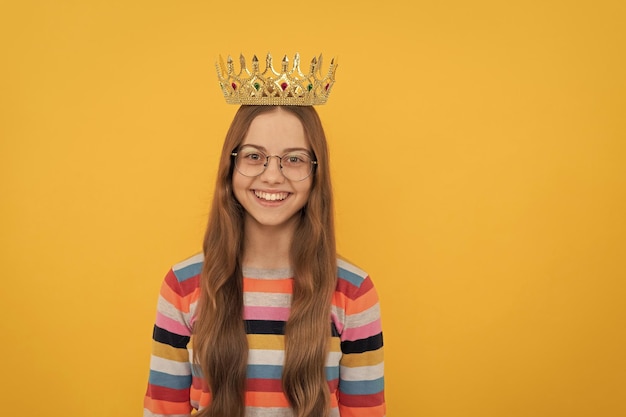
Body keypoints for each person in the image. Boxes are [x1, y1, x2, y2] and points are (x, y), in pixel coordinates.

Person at [143, 53, 385, 417]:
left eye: (294, 159)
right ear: (232, 166)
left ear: (316, 173)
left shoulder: (353, 292)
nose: (272, 176)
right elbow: (162, 411)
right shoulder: (183, 286)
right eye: (255, 156)